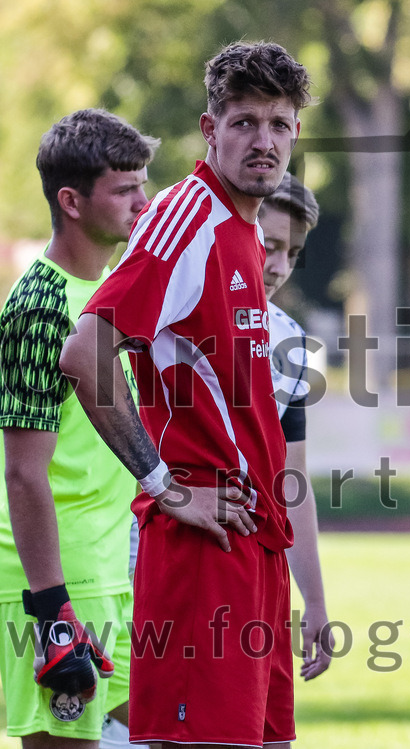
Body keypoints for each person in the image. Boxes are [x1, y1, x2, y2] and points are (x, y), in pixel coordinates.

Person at [59, 41, 311, 748]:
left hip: (256, 540)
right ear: (210, 129)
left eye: (280, 124)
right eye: (244, 122)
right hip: (204, 540)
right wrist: (166, 486)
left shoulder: (246, 231)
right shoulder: (188, 215)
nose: (264, 140)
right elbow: (86, 352)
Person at [0, 108, 157, 747]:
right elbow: (23, 471)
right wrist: (52, 609)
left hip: (110, 574)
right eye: (124, 190)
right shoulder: (39, 306)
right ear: (71, 201)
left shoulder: (110, 293)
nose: (143, 203)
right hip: (60, 587)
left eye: (143, 185)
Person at [259, 171, 333, 681]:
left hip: (257, 573)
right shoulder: (174, 318)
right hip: (146, 567)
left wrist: (315, 600)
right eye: (270, 245)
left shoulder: (292, 343)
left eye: (292, 252)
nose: (278, 265)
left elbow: (293, 480)